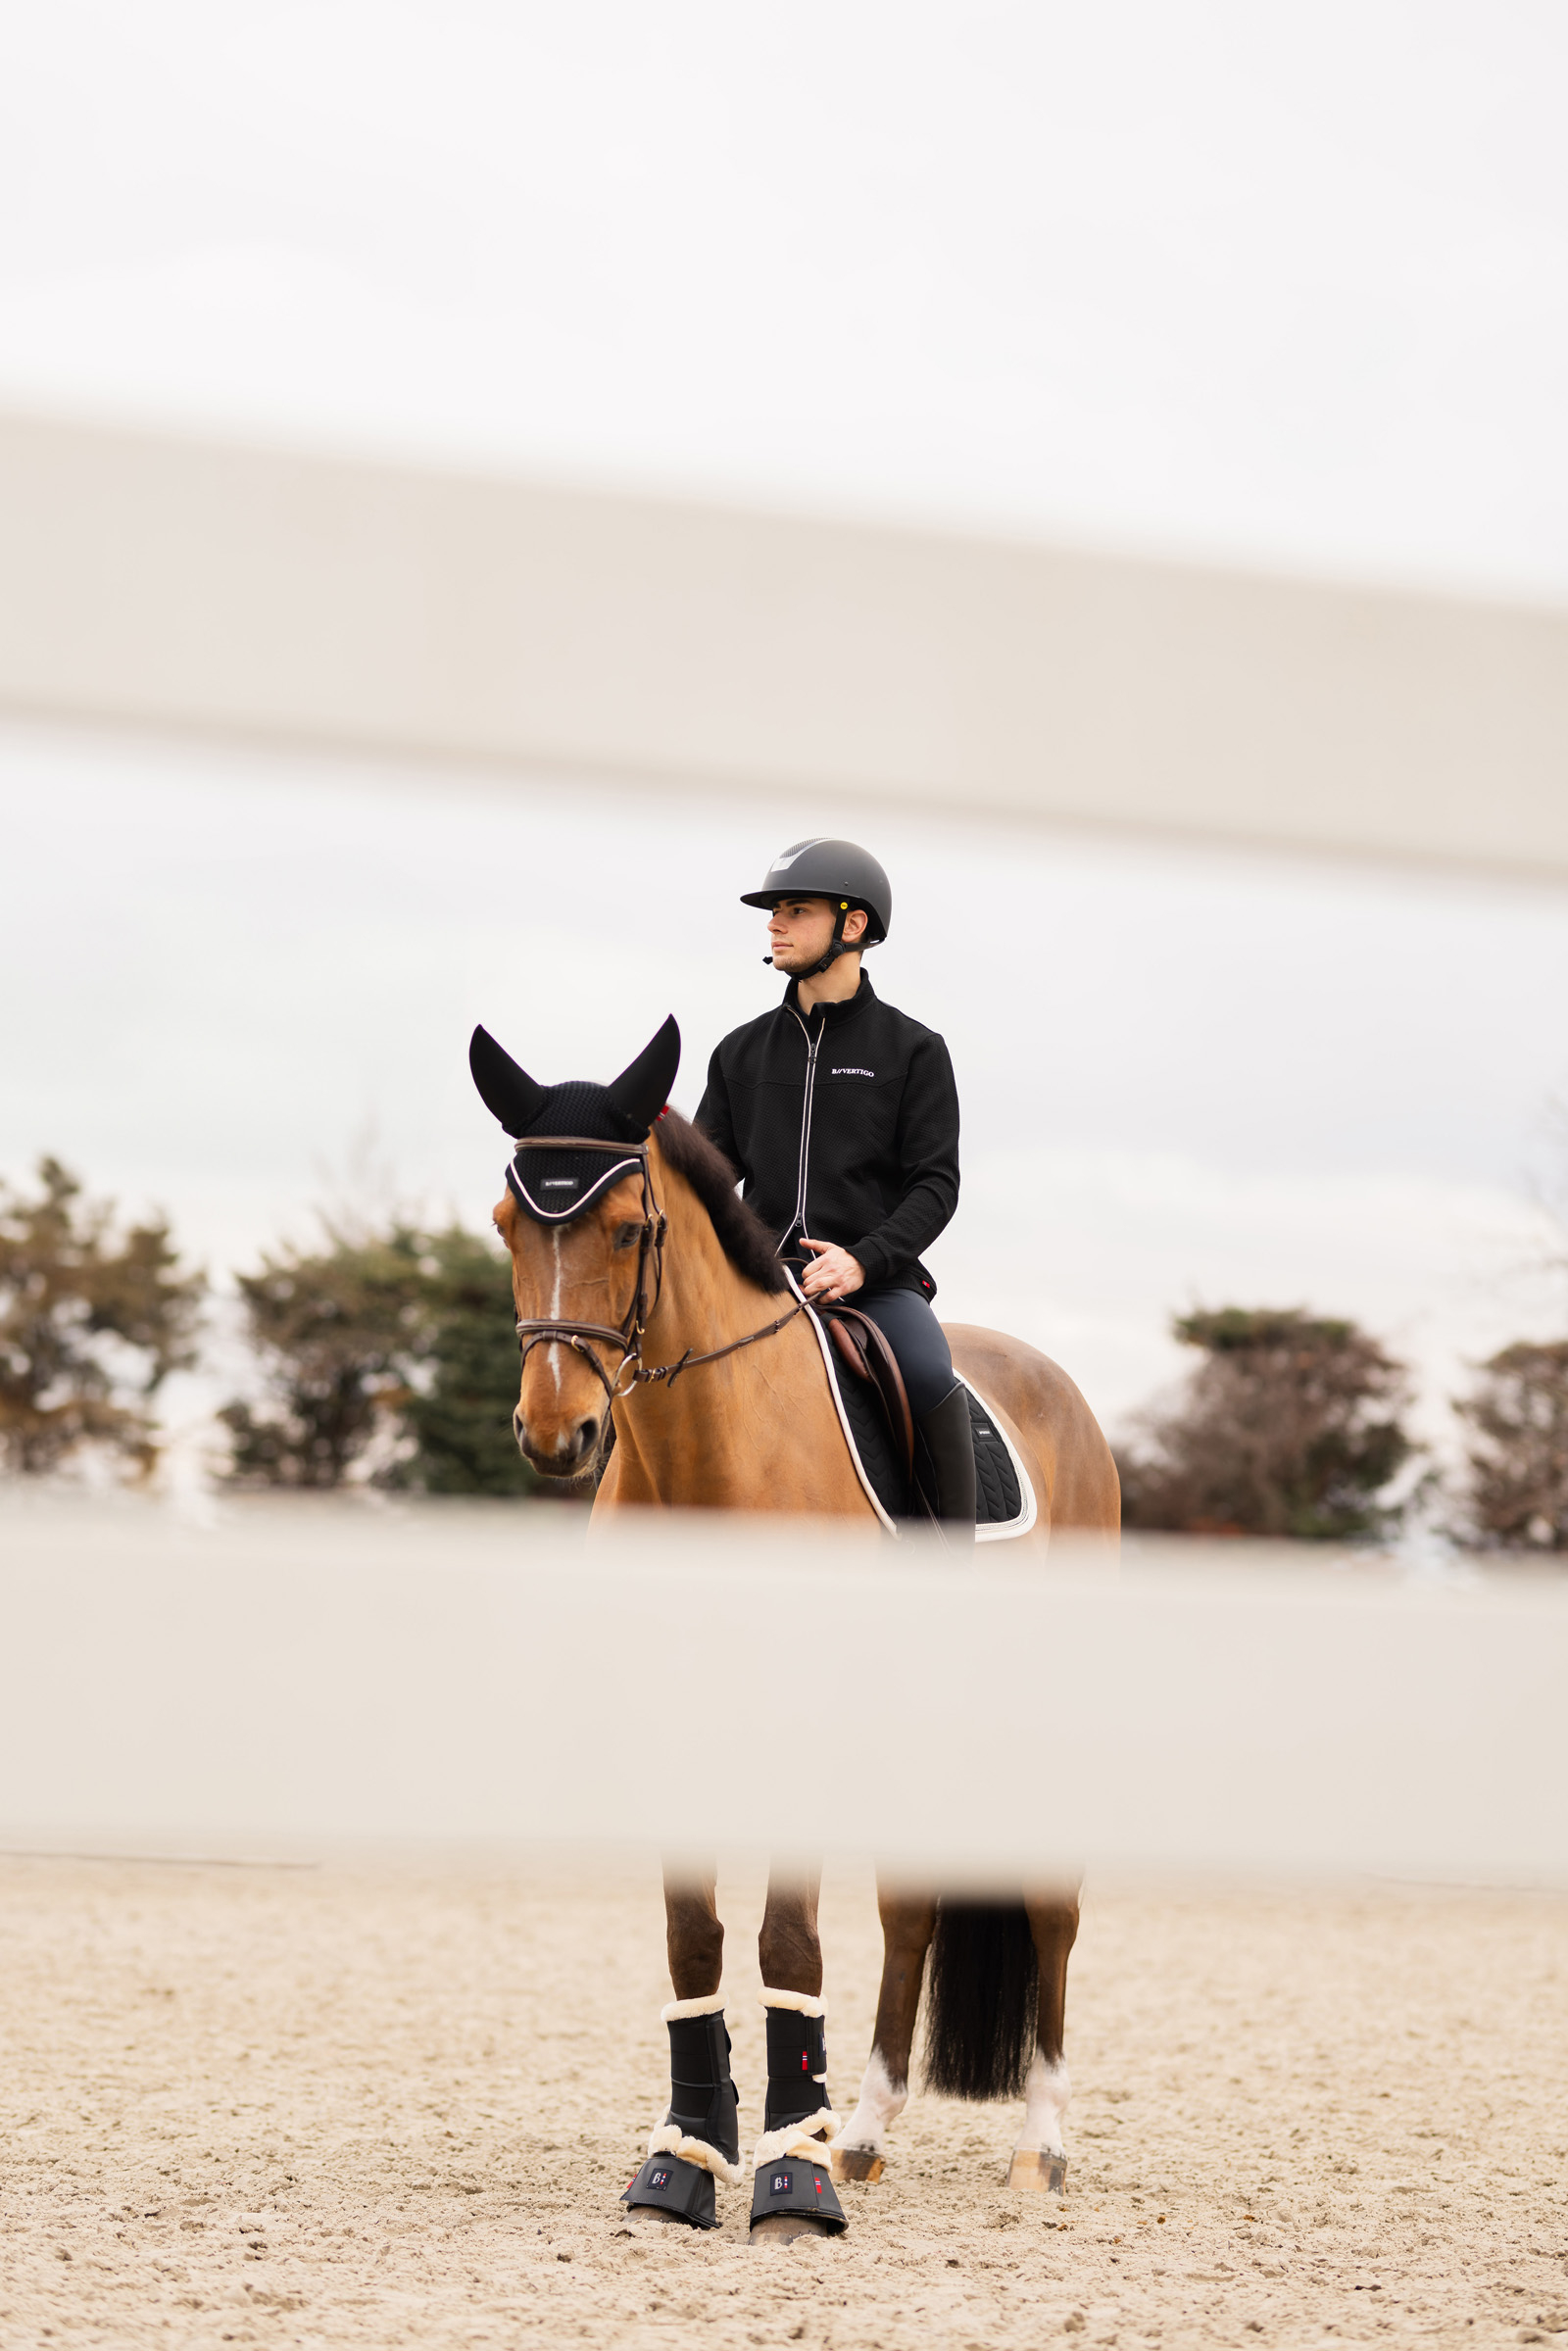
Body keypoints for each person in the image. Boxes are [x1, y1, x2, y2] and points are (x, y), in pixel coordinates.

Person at [696, 837, 976, 1537]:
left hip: (874, 1285)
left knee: (927, 1375)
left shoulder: (914, 1050)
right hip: (758, 1279)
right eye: (772, 911)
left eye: (795, 909)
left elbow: (935, 1184)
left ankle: (947, 1566)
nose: (774, 923)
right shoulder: (738, 1051)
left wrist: (862, 1259)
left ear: (853, 925)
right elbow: (704, 1181)